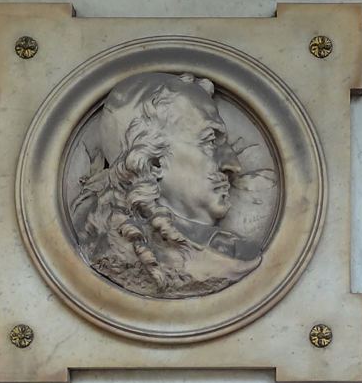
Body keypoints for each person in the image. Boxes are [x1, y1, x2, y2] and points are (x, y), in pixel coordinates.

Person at [70, 72, 264, 298]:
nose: (233, 166)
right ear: (154, 163)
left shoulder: (234, 251)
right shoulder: (116, 251)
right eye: (210, 141)